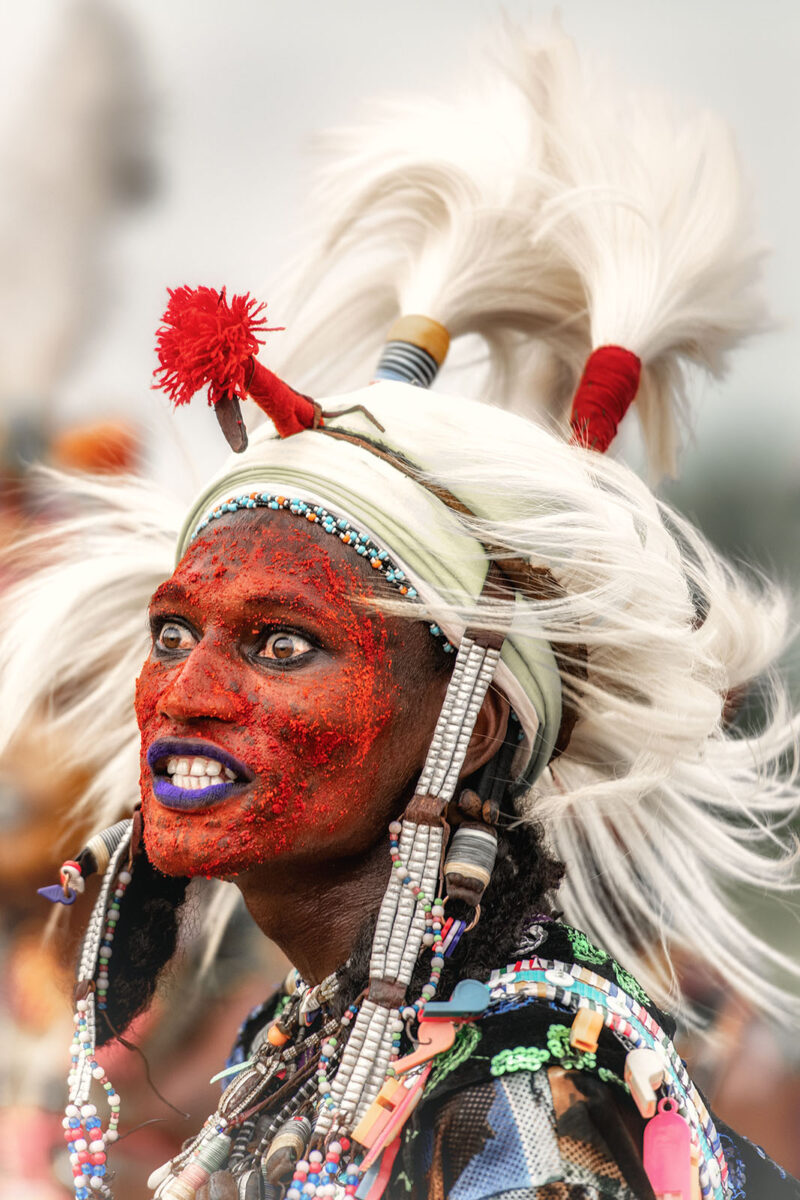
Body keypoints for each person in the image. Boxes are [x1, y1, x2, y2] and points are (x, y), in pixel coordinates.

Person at [4, 26, 799, 1200]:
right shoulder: (317, 1038)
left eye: (282, 642)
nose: (187, 692)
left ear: (467, 725)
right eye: (173, 631)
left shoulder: (526, 1115)